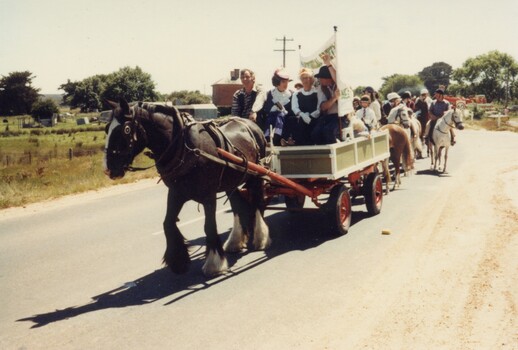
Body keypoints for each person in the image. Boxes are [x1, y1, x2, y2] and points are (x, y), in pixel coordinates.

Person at [250, 69, 293, 145]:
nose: (285, 84)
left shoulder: (291, 94)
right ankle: (268, 139)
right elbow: (266, 108)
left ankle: (281, 138)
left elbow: (291, 111)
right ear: (277, 82)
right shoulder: (270, 93)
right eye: (283, 82)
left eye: (287, 82)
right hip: (270, 119)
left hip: (285, 119)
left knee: (280, 116)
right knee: (271, 117)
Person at [283, 68, 321, 145]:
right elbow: (294, 108)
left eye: (308, 78)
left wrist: (311, 116)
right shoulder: (296, 94)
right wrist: (303, 115)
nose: (306, 80)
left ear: (312, 79)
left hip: (315, 118)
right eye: (304, 78)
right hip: (301, 118)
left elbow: (319, 108)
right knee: (294, 121)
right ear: (301, 80)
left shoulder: (317, 92)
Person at [311, 54, 342, 145]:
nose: (319, 79)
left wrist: (328, 64)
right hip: (328, 117)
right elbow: (323, 107)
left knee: (329, 132)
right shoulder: (322, 88)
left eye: (321, 77)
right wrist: (334, 98)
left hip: (341, 117)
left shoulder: (340, 86)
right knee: (315, 133)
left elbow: (337, 79)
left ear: (329, 78)